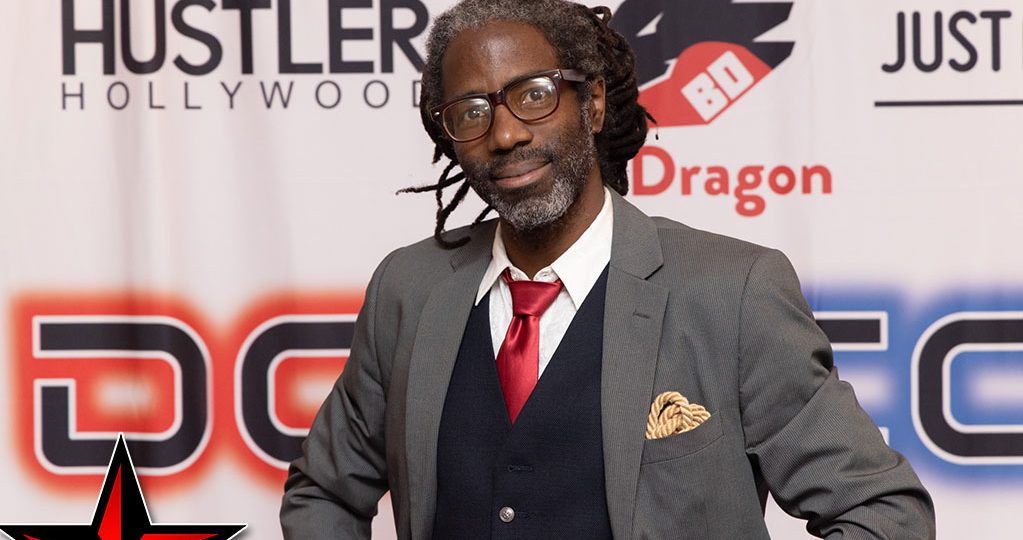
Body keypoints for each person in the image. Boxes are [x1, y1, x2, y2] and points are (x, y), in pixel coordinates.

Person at [280, 1, 936, 538]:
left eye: (534, 95)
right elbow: (324, 493)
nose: (505, 135)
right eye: (473, 112)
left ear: (592, 102)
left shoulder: (732, 291)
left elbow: (882, 513)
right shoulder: (408, 289)